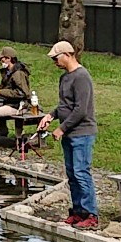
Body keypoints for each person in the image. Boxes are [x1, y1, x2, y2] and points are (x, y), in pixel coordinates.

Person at [39, 41, 98, 230]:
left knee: (82, 173)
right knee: (72, 173)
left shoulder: (82, 77)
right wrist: (50, 115)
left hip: (82, 133)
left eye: (56, 58)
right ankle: (78, 211)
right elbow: (64, 105)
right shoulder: (65, 78)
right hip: (69, 133)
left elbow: (80, 109)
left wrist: (61, 128)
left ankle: (91, 214)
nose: (54, 62)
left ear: (67, 54)